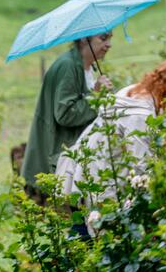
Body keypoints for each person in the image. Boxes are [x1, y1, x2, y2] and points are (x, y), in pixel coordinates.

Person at [55, 57, 166, 235]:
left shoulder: (133, 92)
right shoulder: (139, 114)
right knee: (93, 239)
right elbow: (142, 166)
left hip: (88, 173)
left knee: (81, 232)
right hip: (103, 182)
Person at [20, 33, 113, 199]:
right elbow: (65, 114)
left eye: (110, 39)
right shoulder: (67, 66)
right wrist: (96, 96)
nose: (109, 45)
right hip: (55, 163)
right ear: (84, 39)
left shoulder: (88, 67)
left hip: (71, 161)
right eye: (103, 39)